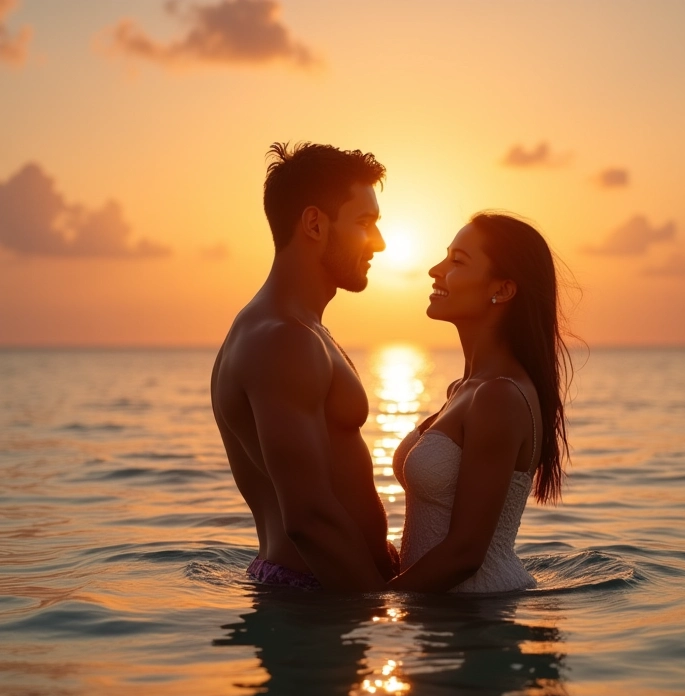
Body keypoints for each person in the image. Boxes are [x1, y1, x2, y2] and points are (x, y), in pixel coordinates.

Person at [211, 142, 398, 592]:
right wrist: (384, 612)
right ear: (315, 223)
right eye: (365, 223)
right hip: (316, 601)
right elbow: (309, 518)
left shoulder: (298, 329)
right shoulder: (284, 340)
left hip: (322, 595)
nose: (379, 242)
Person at [388, 212, 570, 593]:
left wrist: (379, 606)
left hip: (480, 617)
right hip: (447, 615)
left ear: (502, 290)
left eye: (457, 261)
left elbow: (466, 554)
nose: (435, 270)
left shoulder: (498, 397)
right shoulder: (464, 389)